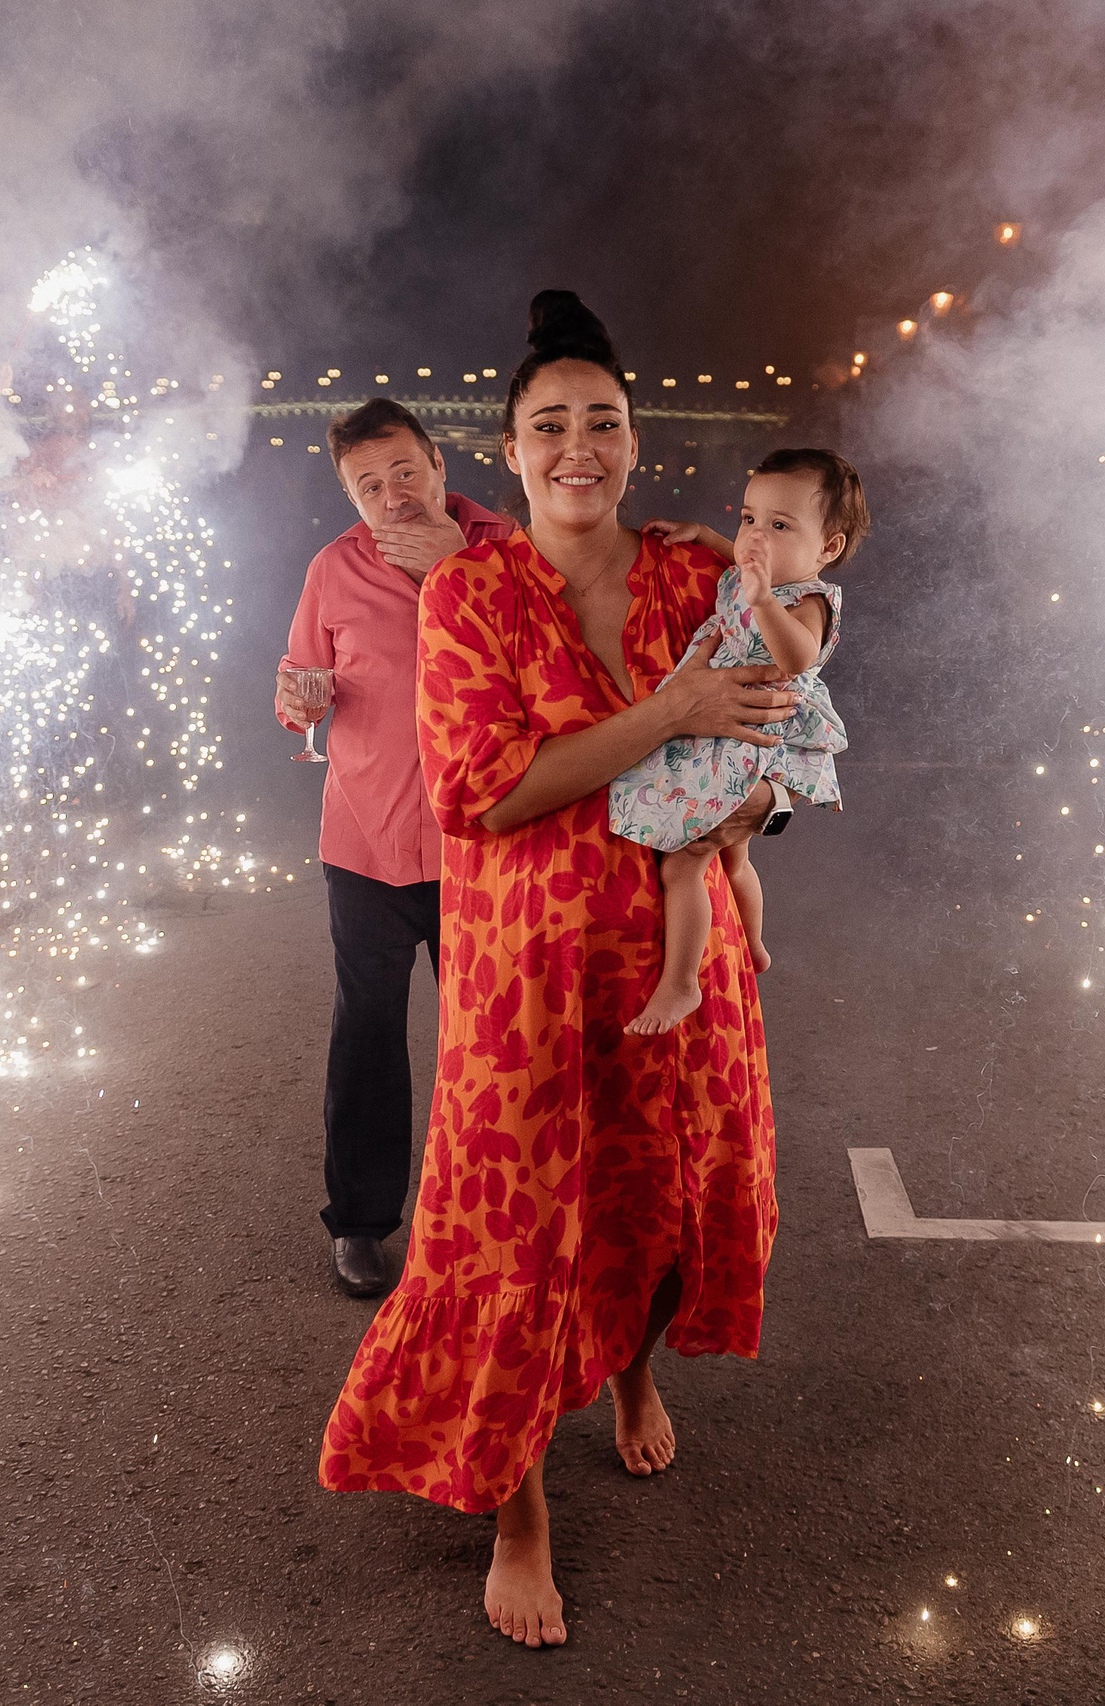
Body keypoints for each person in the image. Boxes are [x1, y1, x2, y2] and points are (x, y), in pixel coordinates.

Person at [320, 291, 798, 1649]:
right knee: (512, 1244)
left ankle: (634, 1374)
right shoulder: (468, 592)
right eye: (550, 426)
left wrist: (750, 803)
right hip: (524, 973)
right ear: (511, 452)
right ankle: (519, 1516)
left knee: (660, 1205)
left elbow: (772, 734)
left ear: (634, 441)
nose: (577, 445)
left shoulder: (699, 570)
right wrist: (669, 714)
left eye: (602, 421)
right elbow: (483, 793)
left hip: (677, 961)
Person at [274, 396, 514, 1297]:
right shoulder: (333, 569)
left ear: (440, 467)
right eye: (368, 485)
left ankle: (487, 1223)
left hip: (485, 842)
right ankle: (363, 1224)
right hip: (365, 840)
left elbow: (550, 660)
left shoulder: (505, 548)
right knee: (367, 1034)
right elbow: (301, 673)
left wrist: (464, 572)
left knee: (487, 1043)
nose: (391, 495)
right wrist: (298, 701)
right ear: (349, 494)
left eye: (404, 472)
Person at [613, 449, 868, 1032]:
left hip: (754, 729)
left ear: (827, 548)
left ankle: (680, 985)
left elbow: (797, 657)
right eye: (749, 517)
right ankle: (752, 944)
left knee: (683, 864)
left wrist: (757, 599)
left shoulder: (807, 600)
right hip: (722, 724)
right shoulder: (760, 572)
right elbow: (742, 557)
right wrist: (703, 534)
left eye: (780, 526)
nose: (754, 537)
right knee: (734, 856)